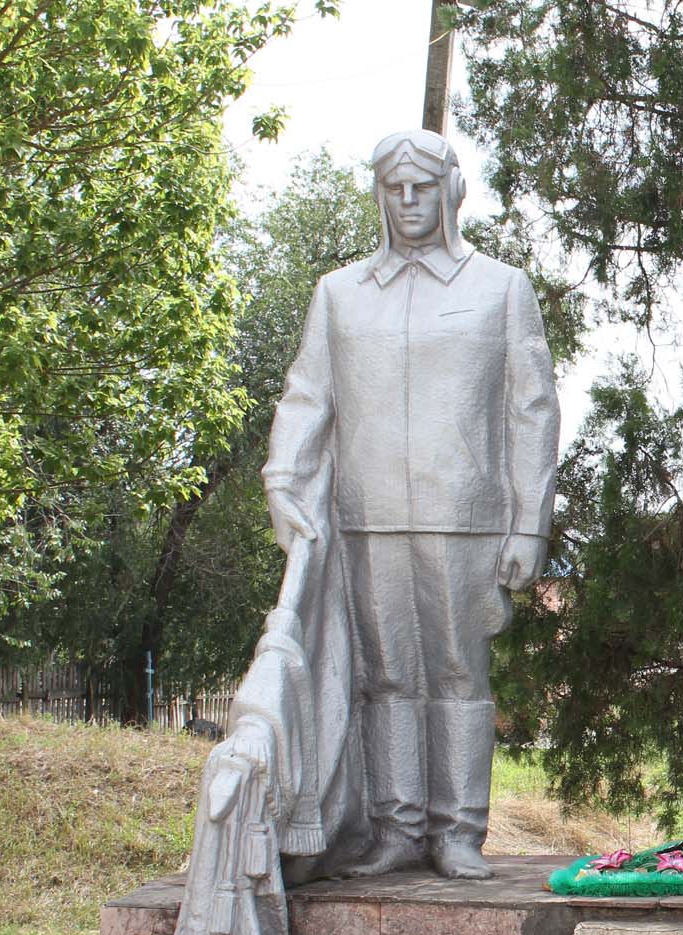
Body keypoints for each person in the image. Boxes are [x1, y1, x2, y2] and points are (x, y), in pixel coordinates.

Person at [262, 129, 561, 880]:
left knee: (459, 674)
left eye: (422, 187)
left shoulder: (500, 287)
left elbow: (533, 408)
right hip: (367, 516)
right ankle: (396, 827)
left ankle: (458, 828)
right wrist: (282, 479)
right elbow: (308, 396)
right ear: (379, 197)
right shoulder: (340, 294)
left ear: (451, 191)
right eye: (395, 189)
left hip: (466, 516)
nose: (408, 202)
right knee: (387, 677)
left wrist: (529, 519)